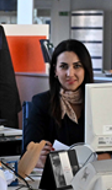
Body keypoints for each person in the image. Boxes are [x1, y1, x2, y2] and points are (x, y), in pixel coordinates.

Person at [24, 39, 95, 167]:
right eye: (63, 66)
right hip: (56, 175)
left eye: (77, 66)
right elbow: (27, 153)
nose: (70, 74)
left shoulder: (99, 102)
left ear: (86, 69)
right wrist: (37, 157)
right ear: (55, 71)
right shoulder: (41, 103)